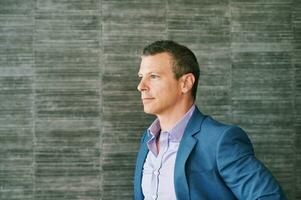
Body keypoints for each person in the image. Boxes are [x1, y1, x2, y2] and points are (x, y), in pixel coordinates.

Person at [133, 40, 286, 200]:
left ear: (185, 83)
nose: (141, 86)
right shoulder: (148, 139)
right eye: (141, 77)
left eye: (154, 76)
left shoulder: (220, 140)